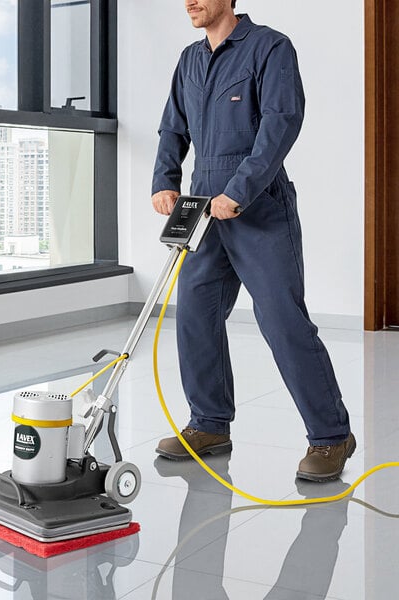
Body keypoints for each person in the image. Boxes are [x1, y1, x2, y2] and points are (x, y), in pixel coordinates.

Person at [152, 0, 355, 481]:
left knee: (282, 320)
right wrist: (165, 179)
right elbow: (172, 126)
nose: (189, 2)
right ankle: (209, 425)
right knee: (196, 315)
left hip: (258, 205)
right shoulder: (190, 59)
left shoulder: (270, 48)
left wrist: (238, 192)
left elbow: (280, 125)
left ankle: (331, 436)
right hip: (203, 207)